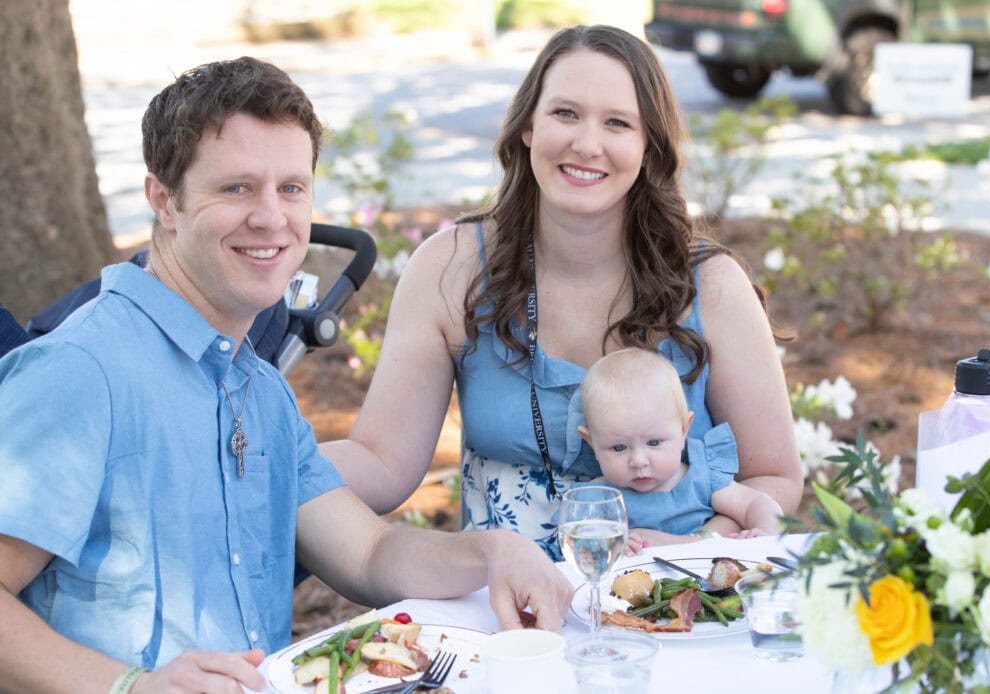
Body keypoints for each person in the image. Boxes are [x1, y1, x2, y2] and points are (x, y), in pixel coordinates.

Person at [0, 57, 571, 694]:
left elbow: (368, 553)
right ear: (164, 200)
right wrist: (130, 686)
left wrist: (494, 551)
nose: (273, 218)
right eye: (237, 188)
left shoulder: (258, 389)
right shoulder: (81, 373)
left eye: (292, 189)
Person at [322, 24, 803, 559]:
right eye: (565, 113)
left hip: (676, 599)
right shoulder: (452, 268)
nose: (586, 144)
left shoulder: (709, 285)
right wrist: (268, 461)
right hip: (506, 611)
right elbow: (382, 461)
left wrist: (687, 550)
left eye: (618, 123)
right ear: (528, 125)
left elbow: (774, 476)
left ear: (649, 145)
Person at [575, 348, 783, 555]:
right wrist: (609, 545)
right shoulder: (598, 500)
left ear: (683, 430)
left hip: (709, 582)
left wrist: (763, 533)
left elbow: (756, 503)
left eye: (654, 442)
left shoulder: (702, 477)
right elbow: (580, 552)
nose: (638, 461)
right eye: (619, 448)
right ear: (591, 442)